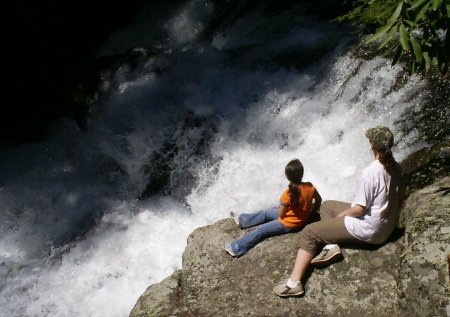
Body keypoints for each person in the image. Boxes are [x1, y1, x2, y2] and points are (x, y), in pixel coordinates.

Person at [272, 126, 406, 297]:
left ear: (372, 144)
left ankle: (294, 284)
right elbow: (400, 199)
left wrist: (342, 217)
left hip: (370, 230)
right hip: (385, 227)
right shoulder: (398, 168)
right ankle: (331, 246)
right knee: (327, 206)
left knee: (309, 233)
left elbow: (359, 209)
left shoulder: (370, 172)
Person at [223, 158, 322, 257]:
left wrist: (283, 207)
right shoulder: (310, 187)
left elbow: (281, 214)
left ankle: (236, 248)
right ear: (302, 174)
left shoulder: (288, 194)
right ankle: (243, 220)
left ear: (288, 178)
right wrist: (311, 212)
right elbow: (319, 200)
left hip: (288, 224)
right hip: (299, 219)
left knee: (261, 230)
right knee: (266, 213)